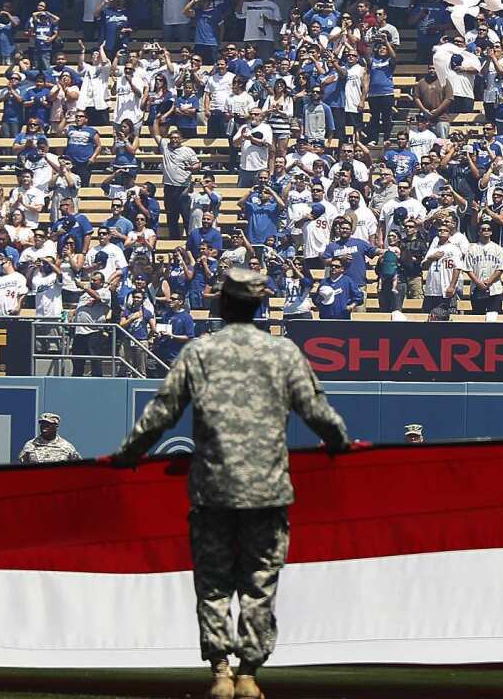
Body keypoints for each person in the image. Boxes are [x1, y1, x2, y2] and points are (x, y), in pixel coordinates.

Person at [110, 267, 352, 699]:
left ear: (221, 304)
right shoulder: (283, 354)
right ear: (260, 305)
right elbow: (318, 413)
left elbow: (161, 413)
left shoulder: (199, 353)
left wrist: (128, 456)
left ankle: (220, 672)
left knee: (215, 582)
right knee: (260, 581)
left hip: (213, 490)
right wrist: (340, 443)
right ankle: (249, 674)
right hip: (267, 490)